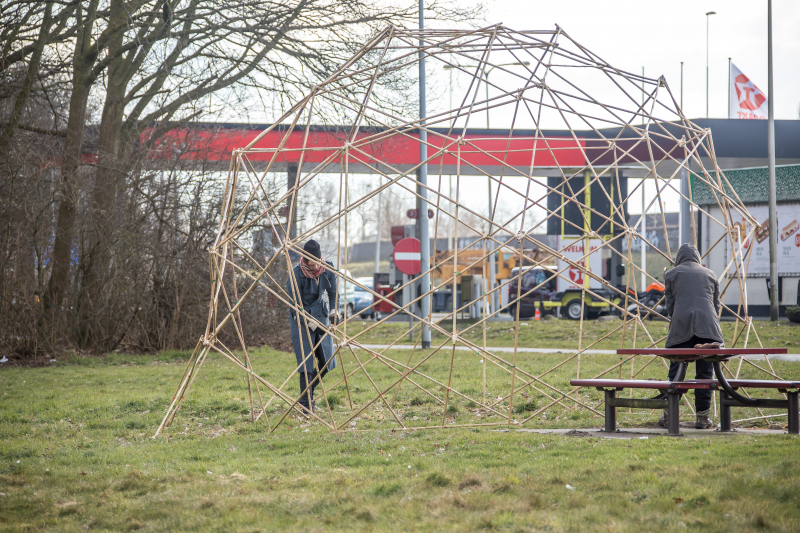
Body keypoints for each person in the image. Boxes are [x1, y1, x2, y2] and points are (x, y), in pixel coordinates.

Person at [657, 242, 724, 429]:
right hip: (708, 328)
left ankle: (670, 415)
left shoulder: (671, 274)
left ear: (679, 258)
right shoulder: (710, 274)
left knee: (676, 372)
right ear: (698, 257)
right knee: (705, 374)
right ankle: (702, 418)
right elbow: (715, 305)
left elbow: (670, 307)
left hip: (681, 326)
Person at [287, 240, 339, 415]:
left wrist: (333, 313)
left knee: (326, 360)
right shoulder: (295, 275)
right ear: (304, 260)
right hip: (302, 320)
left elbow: (333, 294)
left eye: (317, 261)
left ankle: (308, 393)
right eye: (311, 263)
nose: (315, 266)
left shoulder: (328, 268)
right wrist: (311, 324)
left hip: (321, 315)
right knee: (306, 363)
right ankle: (306, 403)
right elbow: (295, 307)